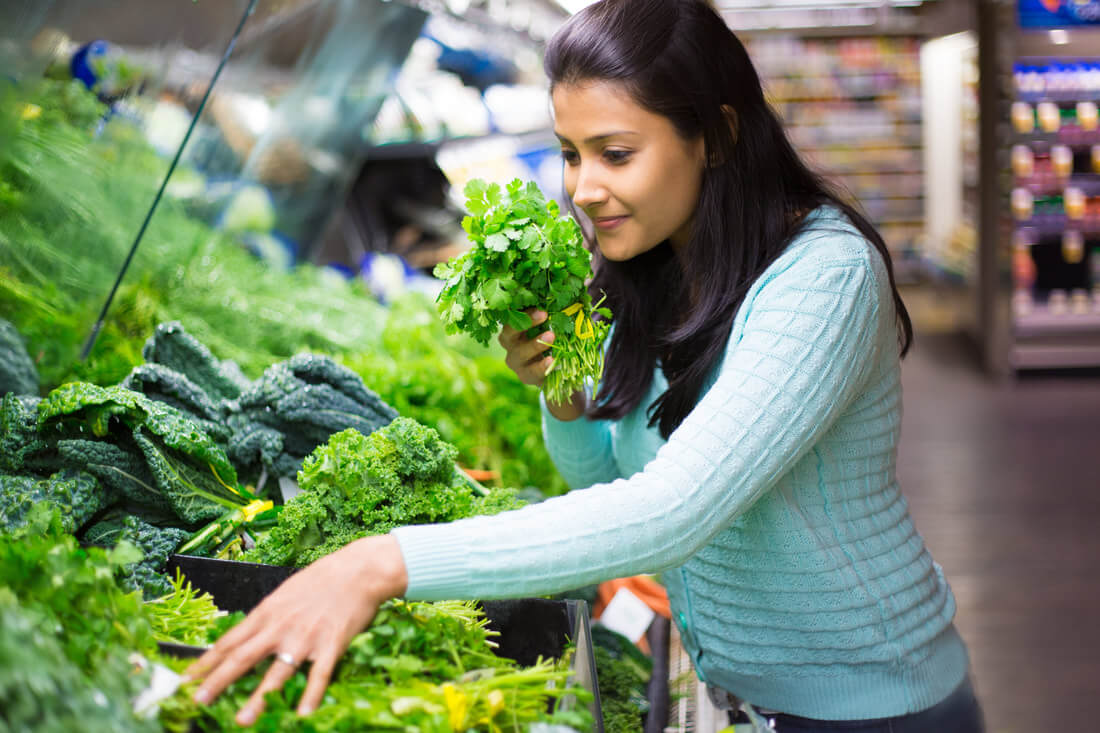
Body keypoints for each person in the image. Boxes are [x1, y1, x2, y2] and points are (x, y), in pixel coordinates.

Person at [185, 1, 985, 730]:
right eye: (571, 154)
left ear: (717, 135)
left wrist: (388, 559)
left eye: (616, 153)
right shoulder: (658, 267)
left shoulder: (824, 277)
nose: (585, 188)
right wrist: (564, 395)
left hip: (877, 705)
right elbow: (607, 487)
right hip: (751, 701)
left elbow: (674, 509)